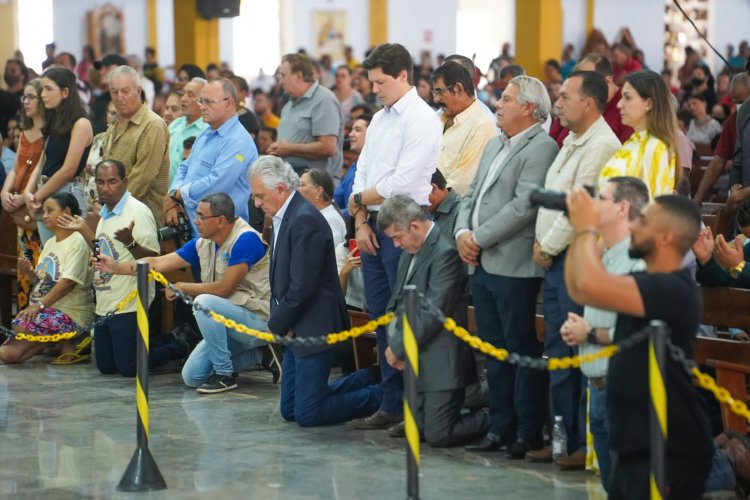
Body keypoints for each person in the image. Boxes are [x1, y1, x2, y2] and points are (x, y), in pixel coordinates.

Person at [565, 189, 712, 499]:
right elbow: (580, 288)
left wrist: (586, 228)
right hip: (637, 438)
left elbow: (589, 285)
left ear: (665, 237)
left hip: (667, 445)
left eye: (643, 221)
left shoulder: (673, 288)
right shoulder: (649, 281)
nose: (632, 226)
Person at [456, 76, 558, 458]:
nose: (497, 104)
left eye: (507, 99)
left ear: (529, 108)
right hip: (480, 261)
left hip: (512, 264)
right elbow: (471, 193)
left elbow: (524, 206)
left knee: (518, 350)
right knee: (493, 351)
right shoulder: (495, 144)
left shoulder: (542, 148)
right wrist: (463, 231)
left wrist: (478, 237)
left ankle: (526, 432)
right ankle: (499, 428)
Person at [530, 70, 622, 467]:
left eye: (565, 96)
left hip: (572, 257)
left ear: (589, 102)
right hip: (554, 258)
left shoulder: (601, 145)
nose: (558, 102)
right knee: (558, 348)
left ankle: (582, 443)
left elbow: (579, 205)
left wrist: (547, 245)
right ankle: (562, 439)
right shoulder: (570, 139)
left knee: (575, 345)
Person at [348, 42, 442, 430]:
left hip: (404, 226)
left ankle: (415, 407)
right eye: (371, 82)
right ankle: (391, 402)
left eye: (380, 82)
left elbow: (401, 183)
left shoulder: (420, 118)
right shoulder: (382, 118)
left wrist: (360, 199)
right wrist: (360, 219)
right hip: (372, 225)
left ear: (403, 75)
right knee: (382, 316)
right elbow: (363, 169)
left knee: (407, 317)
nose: (374, 89)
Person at [249, 155, 382, 426]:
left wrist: (277, 323)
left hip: (313, 325)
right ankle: (370, 378)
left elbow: (302, 286)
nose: (256, 203)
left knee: (309, 414)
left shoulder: (303, 219)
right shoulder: (283, 215)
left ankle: (384, 394)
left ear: (281, 189)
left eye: (260, 196)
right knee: (291, 410)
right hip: (295, 324)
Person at [96, 192, 271, 393]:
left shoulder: (245, 239)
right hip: (225, 322)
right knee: (192, 376)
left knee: (204, 302)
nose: (195, 221)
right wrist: (115, 267)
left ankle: (225, 375)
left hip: (257, 321)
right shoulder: (203, 242)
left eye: (201, 217)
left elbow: (225, 288)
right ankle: (261, 356)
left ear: (221, 220)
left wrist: (184, 287)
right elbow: (158, 263)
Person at [559, 176, 649, 491]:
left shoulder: (639, 259)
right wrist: (579, 327)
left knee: (630, 486)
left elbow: (642, 329)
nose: (595, 204)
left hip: (624, 388)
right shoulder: (608, 253)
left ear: (623, 208)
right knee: (614, 488)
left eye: (603, 198)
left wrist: (592, 333)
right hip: (597, 386)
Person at [377, 195, 488, 447]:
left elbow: (433, 312)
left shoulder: (446, 254)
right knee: (418, 430)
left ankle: (496, 415)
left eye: (397, 237)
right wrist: (396, 341)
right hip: (415, 354)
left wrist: (398, 347)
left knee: (439, 435)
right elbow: (398, 301)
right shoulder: (411, 249)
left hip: (441, 359)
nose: (395, 245)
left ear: (414, 226)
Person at [0, 193, 93, 364]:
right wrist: (30, 274)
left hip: (70, 313)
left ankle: (70, 340)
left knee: (20, 323)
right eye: (44, 211)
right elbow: (45, 282)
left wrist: (39, 306)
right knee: (7, 354)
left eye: (50, 211)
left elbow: (68, 282)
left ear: (66, 211)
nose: (44, 216)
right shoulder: (50, 243)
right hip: (46, 313)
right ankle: (55, 341)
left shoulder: (77, 241)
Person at [167, 78, 257, 233]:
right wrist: (174, 194)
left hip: (223, 234)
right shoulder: (206, 132)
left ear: (229, 103)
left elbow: (217, 183)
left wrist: (179, 194)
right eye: (201, 101)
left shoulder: (238, 141)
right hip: (195, 228)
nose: (202, 107)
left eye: (208, 102)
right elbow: (184, 167)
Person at [23, 66, 92, 245]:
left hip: (65, 194)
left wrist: (37, 196)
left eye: (48, 89)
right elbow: (41, 162)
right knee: (51, 258)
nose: (43, 94)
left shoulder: (81, 123)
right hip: (45, 192)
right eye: (42, 89)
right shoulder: (53, 121)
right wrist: (28, 193)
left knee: (68, 259)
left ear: (65, 92)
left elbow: (68, 170)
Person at [103, 65, 169, 227]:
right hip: (114, 211)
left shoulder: (152, 125)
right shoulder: (115, 121)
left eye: (125, 91)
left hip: (141, 218)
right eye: (114, 92)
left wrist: (111, 208)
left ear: (139, 91)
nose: (119, 97)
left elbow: (143, 179)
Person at [598, 70, 681, 197]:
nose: (619, 104)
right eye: (621, 97)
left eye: (628, 98)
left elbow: (651, 206)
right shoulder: (633, 142)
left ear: (648, 103)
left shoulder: (655, 147)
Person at [0, 78, 45, 311]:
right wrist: (5, 191)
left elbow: (40, 171)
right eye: (24, 97)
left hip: (36, 204)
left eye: (31, 97)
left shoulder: (49, 130)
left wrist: (24, 195)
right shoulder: (26, 130)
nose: (26, 102)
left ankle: (40, 322)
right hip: (19, 205)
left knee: (40, 266)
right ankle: (24, 321)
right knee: (23, 267)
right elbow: (18, 167)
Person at [270, 53, 344, 180]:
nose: (280, 81)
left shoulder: (324, 100)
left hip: (317, 184)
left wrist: (289, 149)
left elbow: (328, 148)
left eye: (283, 75)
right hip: (290, 179)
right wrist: (277, 148)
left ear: (298, 76)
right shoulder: (288, 105)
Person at [431, 61, 496, 196]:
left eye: (439, 92)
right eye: (434, 92)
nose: (436, 99)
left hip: (448, 211)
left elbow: (461, 186)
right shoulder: (439, 117)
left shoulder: (482, 126)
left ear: (458, 89)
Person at [549, 53, 634, 148]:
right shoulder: (576, 99)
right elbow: (551, 144)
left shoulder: (626, 107)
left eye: (587, 81)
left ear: (608, 81)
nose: (581, 87)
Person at [694, 73, 750, 205]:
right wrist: (698, 196)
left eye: (742, 102)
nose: (739, 106)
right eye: (735, 102)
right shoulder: (732, 122)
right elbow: (718, 161)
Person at [168, 78, 208, 185]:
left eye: (190, 95)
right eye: (183, 93)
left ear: (203, 101)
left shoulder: (207, 130)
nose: (183, 99)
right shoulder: (175, 124)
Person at [333, 113, 371, 220]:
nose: (350, 134)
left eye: (357, 130)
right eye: (352, 130)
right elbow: (336, 199)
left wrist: (333, 216)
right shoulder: (353, 167)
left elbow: (362, 208)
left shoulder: (375, 166)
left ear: (371, 134)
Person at [298, 168, 346, 246]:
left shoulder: (329, 219)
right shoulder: (320, 215)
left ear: (319, 191)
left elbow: (333, 255)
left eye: (302, 185)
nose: (297, 189)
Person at [427, 168, 461, 241]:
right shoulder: (425, 212)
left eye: (416, 196)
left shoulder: (462, 213)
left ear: (433, 189)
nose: (414, 202)